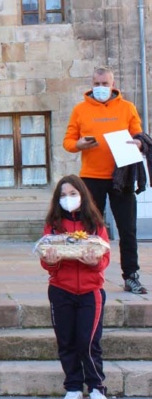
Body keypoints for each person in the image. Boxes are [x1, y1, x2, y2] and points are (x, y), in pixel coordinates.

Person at [63, 65, 147, 294]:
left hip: (122, 176)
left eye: (105, 84)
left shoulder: (127, 108)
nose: (101, 88)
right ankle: (89, 272)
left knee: (127, 228)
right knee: (89, 227)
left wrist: (139, 143)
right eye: (97, 84)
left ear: (113, 85)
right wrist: (78, 145)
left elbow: (138, 134)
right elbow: (68, 141)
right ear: (91, 85)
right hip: (90, 178)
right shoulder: (80, 110)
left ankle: (131, 276)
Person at [40, 175, 110, 399]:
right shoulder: (53, 225)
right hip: (61, 290)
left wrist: (95, 261)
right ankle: (73, 386)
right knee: (66, 340)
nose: (68, 199)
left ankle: (96, 386)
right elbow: (46, 262)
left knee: (88, 341)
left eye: (72, 194)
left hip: (91, 292)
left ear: (82, 196)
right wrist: (51, 259)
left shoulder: (95, 224)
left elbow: (105, 256)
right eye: (62, 195)